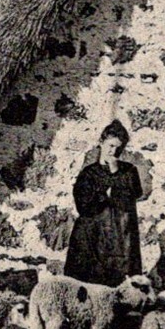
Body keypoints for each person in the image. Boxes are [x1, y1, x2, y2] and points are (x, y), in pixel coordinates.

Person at [63, 120, 144, 286]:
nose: (114, 152)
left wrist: (114, 174)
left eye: (118, 148)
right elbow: (84, 205)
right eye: (110, 146)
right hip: (91, 238)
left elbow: (135, 194)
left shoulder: (128, 171)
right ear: (101, 142)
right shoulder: (89, 174)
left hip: (120, 239)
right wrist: (105, 195)